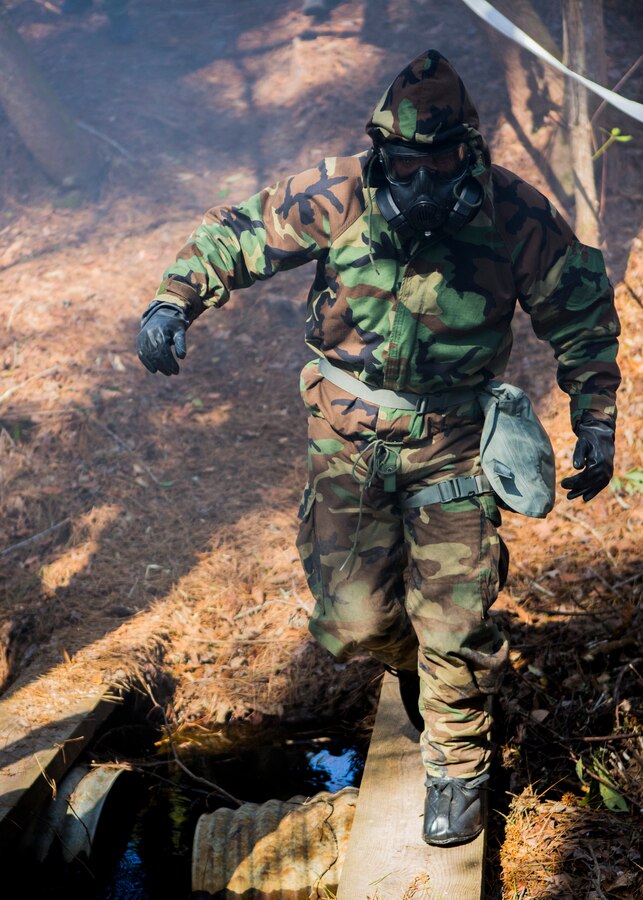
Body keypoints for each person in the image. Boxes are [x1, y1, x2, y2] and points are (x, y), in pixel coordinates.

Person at [135, 50, 620, 846]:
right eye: (405, 165)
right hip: (345, 439)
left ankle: (456, 764)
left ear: (469, 152)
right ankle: (417, 657)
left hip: (455, 442)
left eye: (440, 164)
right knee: (356, 623)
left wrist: (593, 416)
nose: (422, 182)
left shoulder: (509, 211)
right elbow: (238, 233)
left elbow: (580, 312)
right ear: (381, 155)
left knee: (455, 621)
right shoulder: (338, 193)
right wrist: (172, 301)